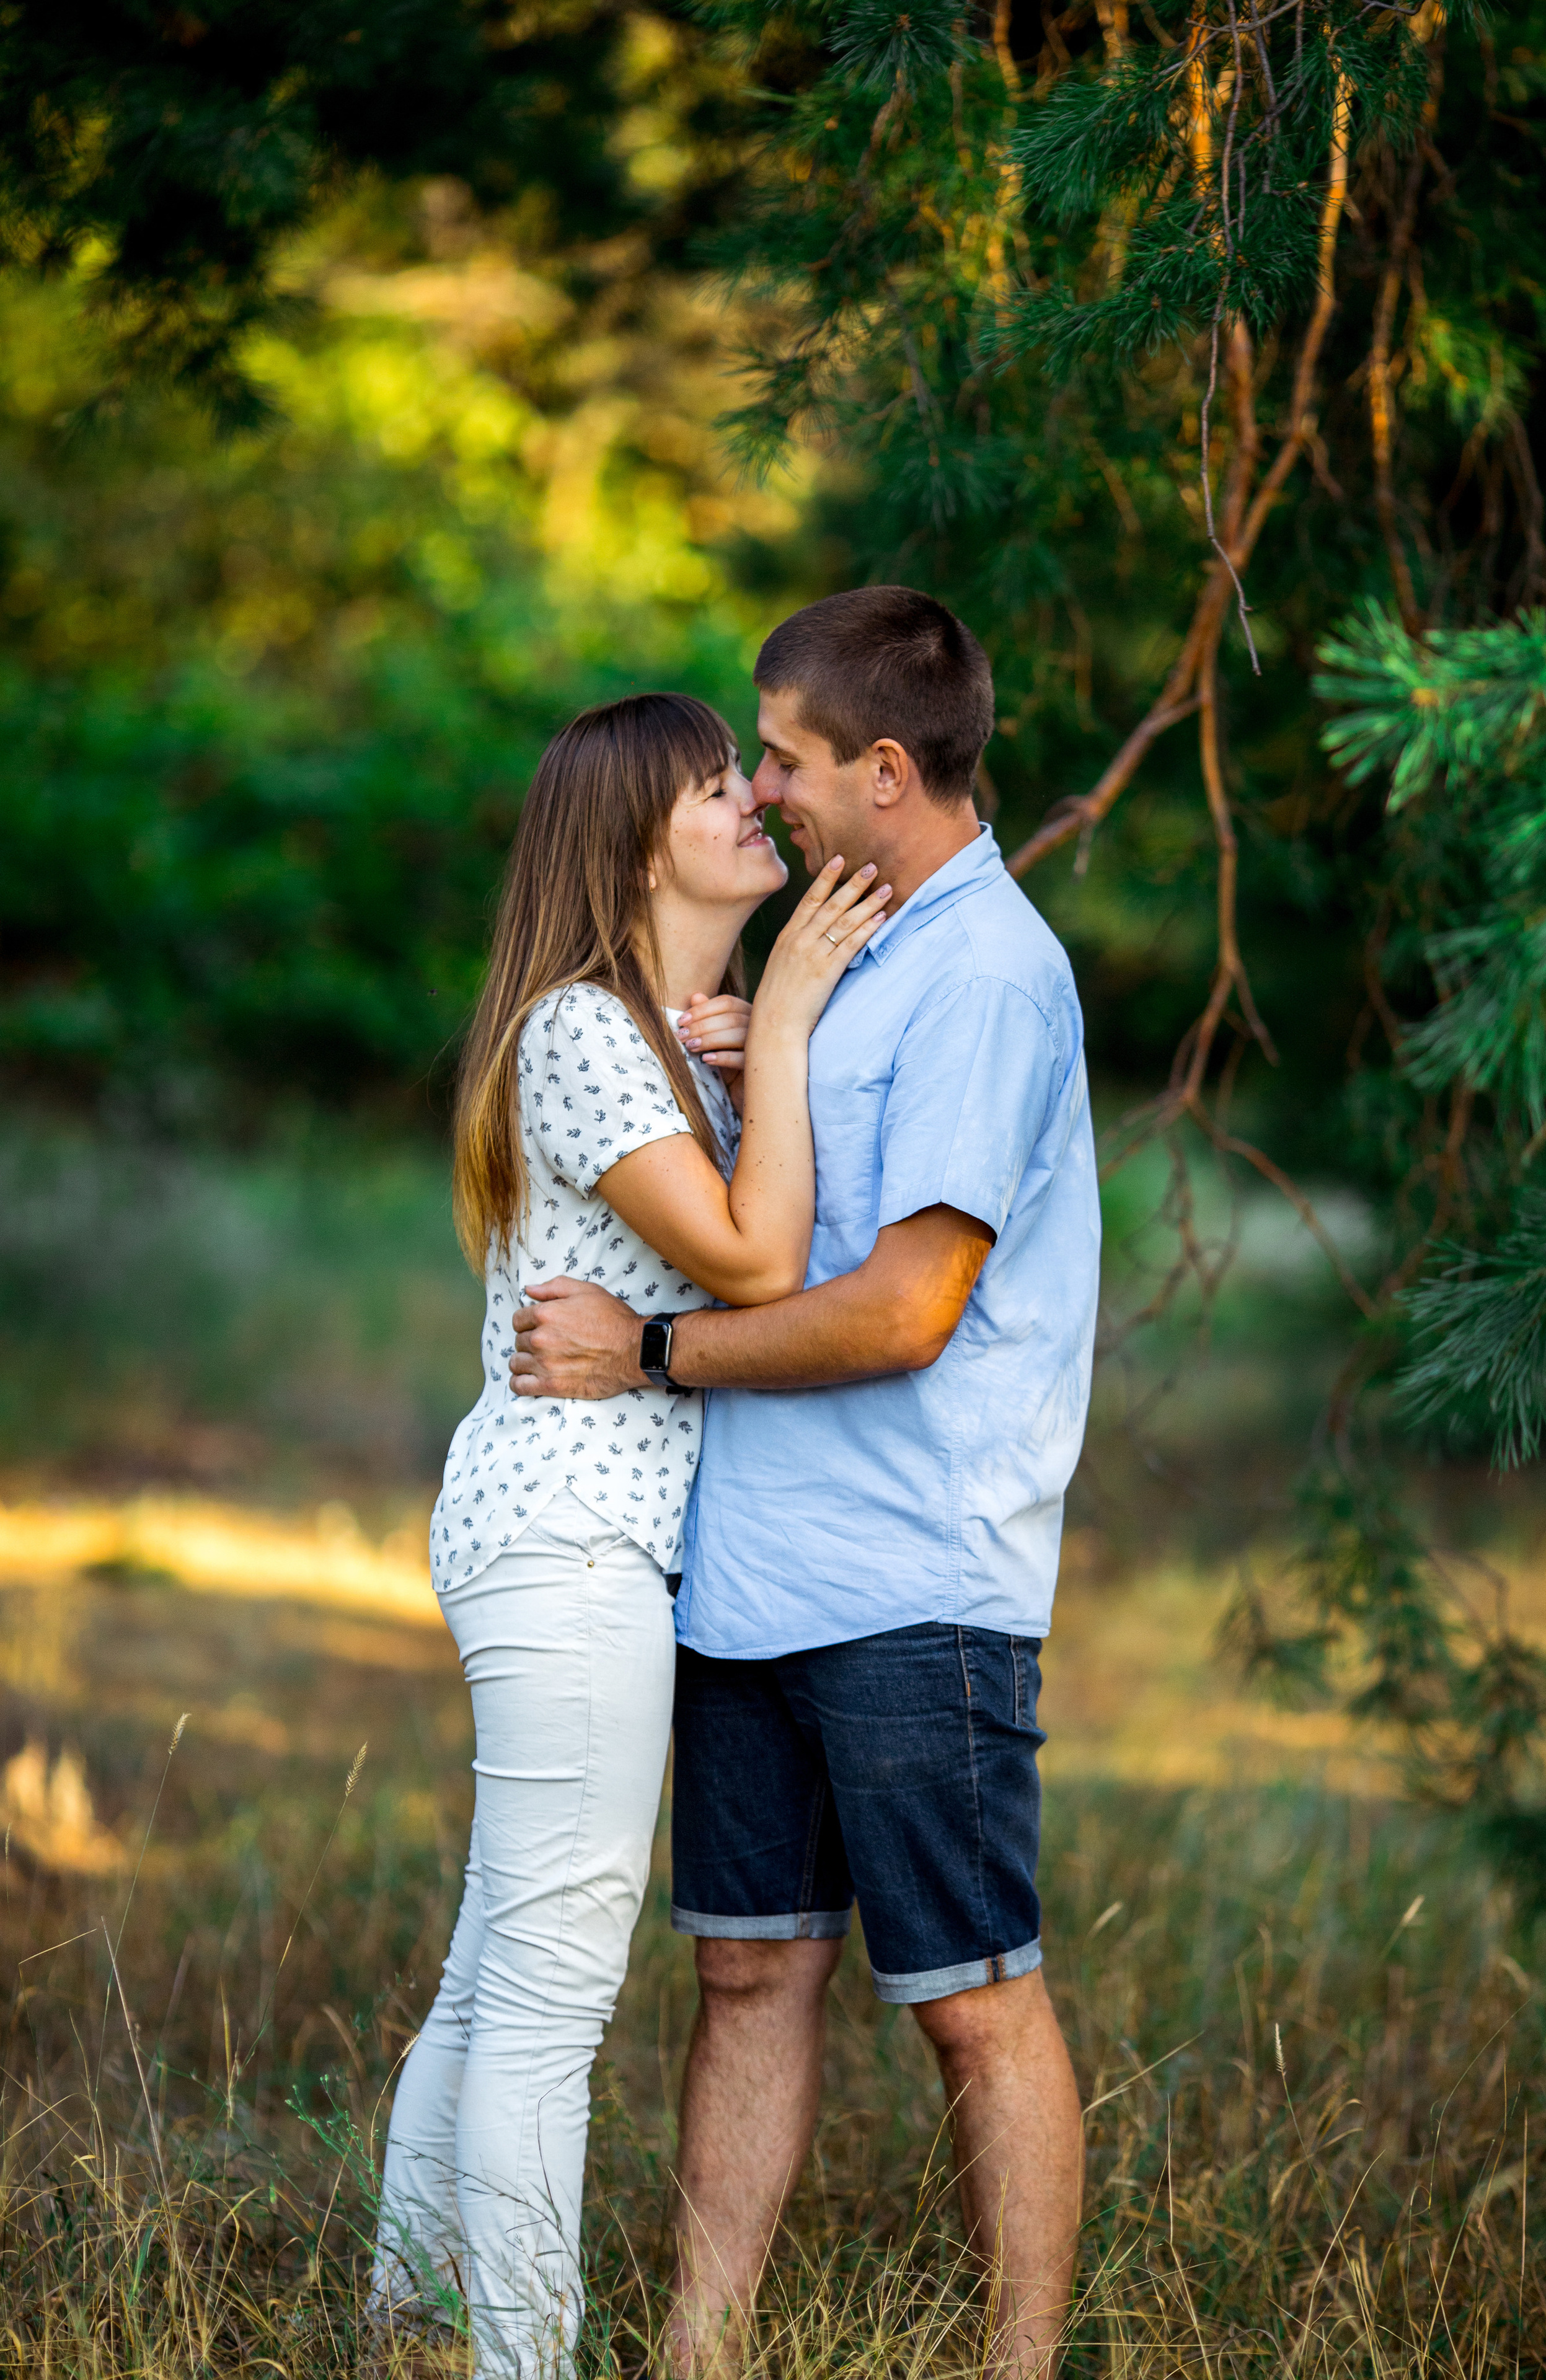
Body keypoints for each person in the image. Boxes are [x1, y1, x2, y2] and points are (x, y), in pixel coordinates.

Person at [507, 587, 1102, 2380]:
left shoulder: (992, 975)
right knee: (750, 1972)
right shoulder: (857, 949)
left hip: (918, 1574)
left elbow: (910, 1305)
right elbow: (794, 1216)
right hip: (753, 1563)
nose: (758, 788)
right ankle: (703, 2355)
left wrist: (654, 1353)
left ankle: (1020, 2362)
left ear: (889, 772)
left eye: (783, 757)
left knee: (976, 2004)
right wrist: (753, 1059)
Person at [366, 690, 891, 2378]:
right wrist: (788, 1020)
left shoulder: (654, 1039)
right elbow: (756, 1266)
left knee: (491, 1964)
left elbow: (756, 1235)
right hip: (571, 1538)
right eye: (720, 784)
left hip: (574, 1535)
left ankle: (411, 2323)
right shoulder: (589, 1032)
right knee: (550, 1997)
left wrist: (750, 1045)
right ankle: (525, 2358)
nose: (758, 804)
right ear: (629, 837)